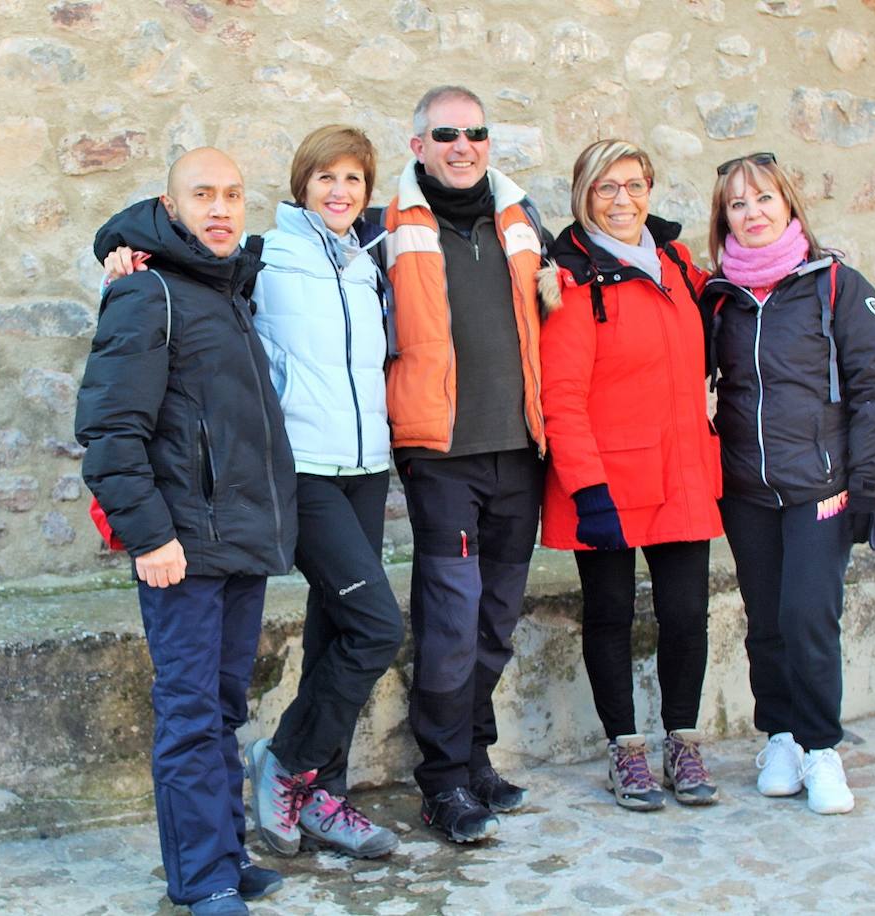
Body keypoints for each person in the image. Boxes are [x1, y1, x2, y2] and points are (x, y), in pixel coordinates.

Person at [102, 126, 405, 861]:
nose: (339, 191)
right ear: (299, 187)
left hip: (366, 467)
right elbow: (165, 259)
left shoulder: (372, 262)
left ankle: (318, 797)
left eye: (353, 180)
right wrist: (117, 251)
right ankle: (288, 764)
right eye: (324, 177)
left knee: (338, 632)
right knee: (376, 626)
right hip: (300, 473)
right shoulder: (262, 259)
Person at [75, 147, 297, 915]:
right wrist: (149, 537)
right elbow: (109, 431)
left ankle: (225, 858)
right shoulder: (147, 294)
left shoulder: (227, 290)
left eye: (233, 193)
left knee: (224, 709)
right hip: (181, 548)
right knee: (191, 714)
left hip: (236, 540)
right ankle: (202, 879)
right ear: (169, 208)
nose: (221, 207)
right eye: (202, 193)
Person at [706, 152, 875, 815]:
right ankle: (781, 737)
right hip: (746, 489)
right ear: (724, 217)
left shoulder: (838, 284)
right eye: (738, 204)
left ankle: (822, 750)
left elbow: (874, 391)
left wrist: (867, 486)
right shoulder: (720, 296)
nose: (752, 213)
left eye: (763, 198)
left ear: (789, 204)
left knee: (808, 618)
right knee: (765, 622)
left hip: (823, 488)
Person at [538, 139, 723, 812]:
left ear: (651, 187)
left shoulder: (676, 264)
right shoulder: (571, 279)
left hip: (680, 471)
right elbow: (561, 397)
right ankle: (626, 749)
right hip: (608, 485)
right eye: (605, 188)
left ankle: (683, 739)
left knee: (685, 617)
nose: (622, 200)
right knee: (611, 616)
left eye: (633, 185)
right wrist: (586, 491)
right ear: (584, 197)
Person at [384, 85, 546, 843]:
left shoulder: (521, 221)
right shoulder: (385, 227)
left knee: (495, 622)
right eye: (444, 133)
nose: (462, 145)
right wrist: (131, 247)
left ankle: (474, 756)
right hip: (442, 457)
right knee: (450, 623)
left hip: (519, 453)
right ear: (419, 145)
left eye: (475, 132)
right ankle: (442, 784)